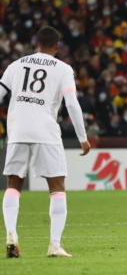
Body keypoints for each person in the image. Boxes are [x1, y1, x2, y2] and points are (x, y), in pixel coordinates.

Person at [0, 27, 91, 258]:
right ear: (57, 46)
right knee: (57, 187)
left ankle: (11, 233)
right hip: (46, 132)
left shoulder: (16, 65)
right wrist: (83, 138)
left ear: (36, 44)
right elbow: (71, 104)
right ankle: (54, 245)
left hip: (18, 130)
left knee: (13, 184)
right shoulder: (63, 69)